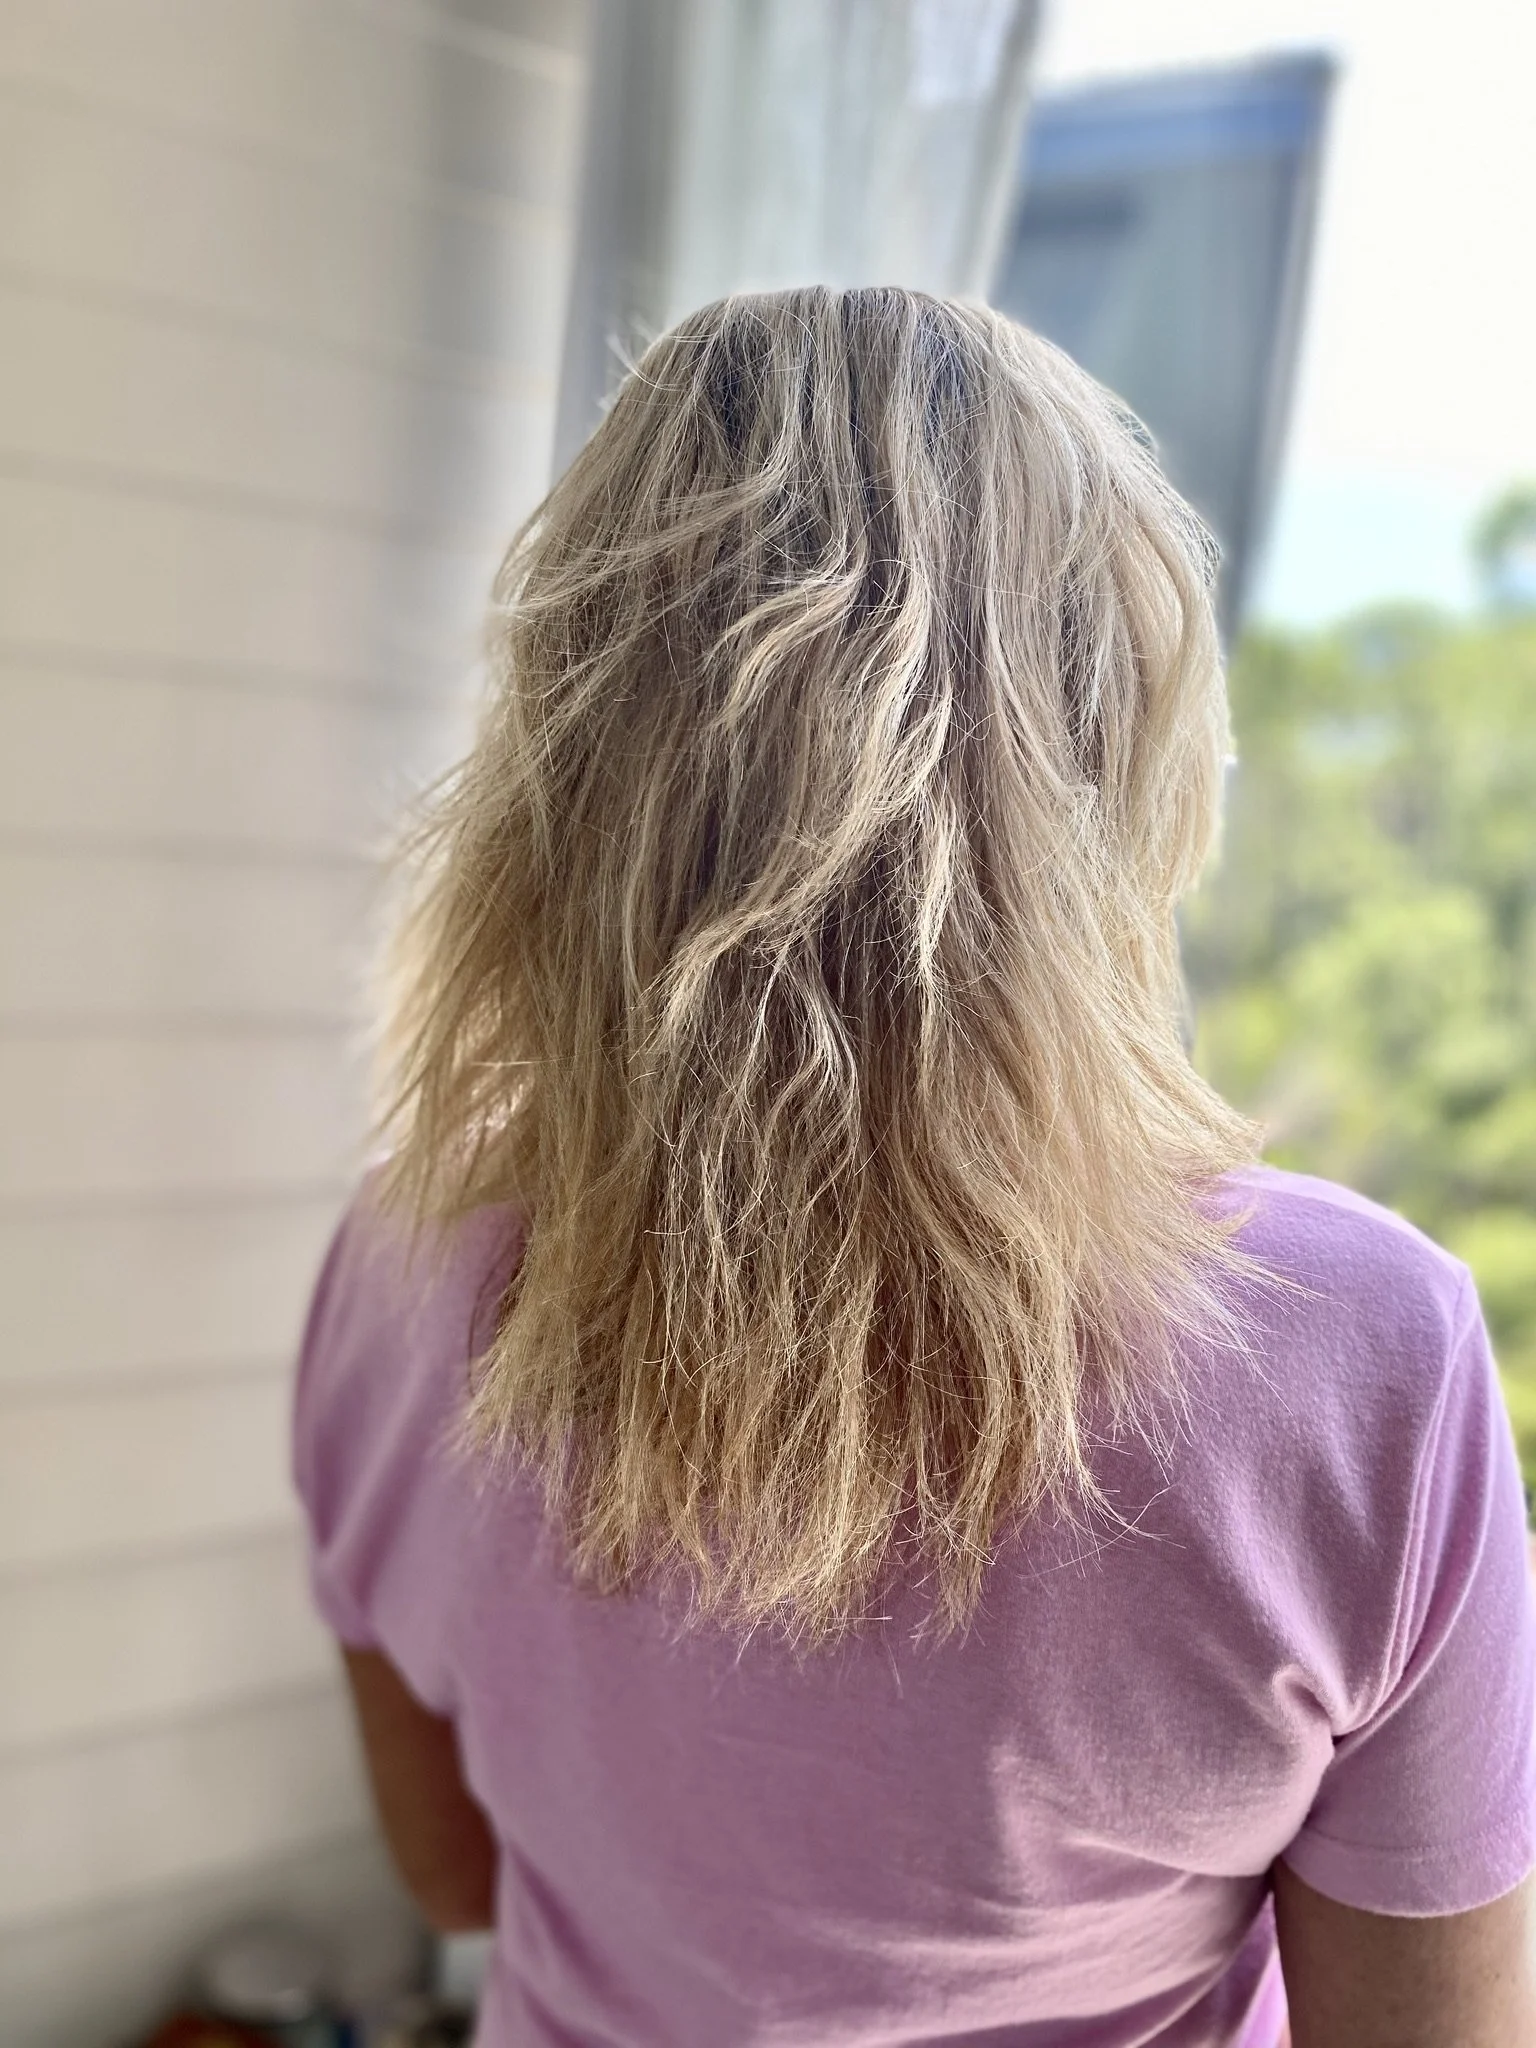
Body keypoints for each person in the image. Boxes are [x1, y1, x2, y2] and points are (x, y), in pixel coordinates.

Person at [292, 287, 1536, 2047]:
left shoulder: (400, 1262)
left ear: (571, 758)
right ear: (1114, 752)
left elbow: (451, 1878)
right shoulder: (1353, 1357)